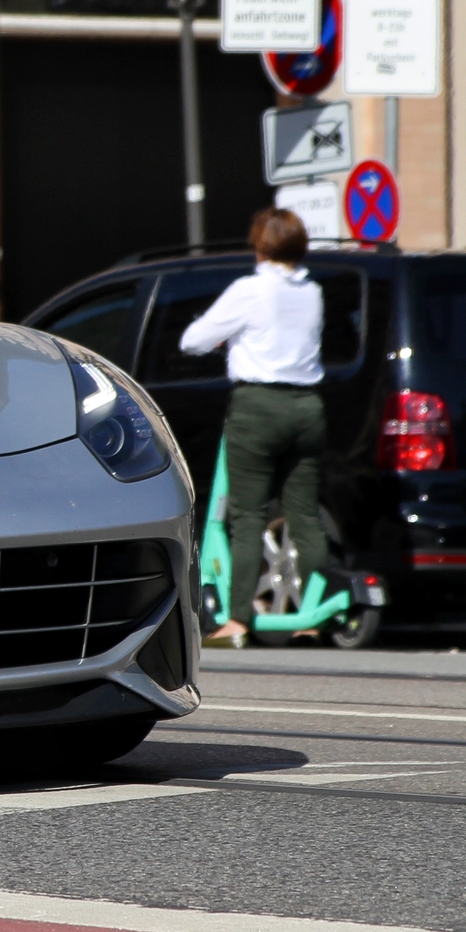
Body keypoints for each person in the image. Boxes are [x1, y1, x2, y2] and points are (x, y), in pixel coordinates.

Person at [180, 207, 326, 644]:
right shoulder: (313, 292)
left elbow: (193, 340)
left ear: (259, 244)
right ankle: (314, 615)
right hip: (308, 407)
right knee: (304, 515)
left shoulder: (250, 290)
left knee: (247, 516)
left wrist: (227, 335)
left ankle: (238, 620)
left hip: (258, 406)